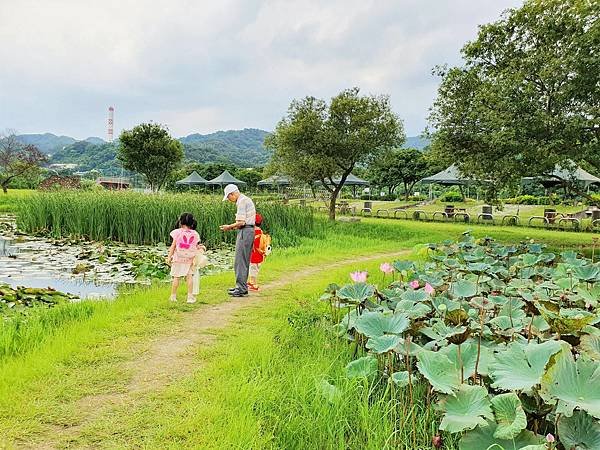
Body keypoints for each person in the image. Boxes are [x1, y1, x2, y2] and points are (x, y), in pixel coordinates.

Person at [219, 183, 255, 297]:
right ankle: (241, 286)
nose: (229, 200)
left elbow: (241, 222)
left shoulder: (241, 201)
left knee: (240, 260)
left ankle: (241, 288)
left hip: (245, 231)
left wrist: (228, 227)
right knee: (242, 260)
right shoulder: (245, 199)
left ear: (232, 194)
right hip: (247, 231)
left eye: (228, 197)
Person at [166, 212, 205, 303]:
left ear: (181, 222)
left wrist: (169, 257)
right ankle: (190, 297)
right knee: (189, 277)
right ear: (192, 222)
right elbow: (196, 246)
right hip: (190, 260)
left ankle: (173, 296)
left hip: (178, 258)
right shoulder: (195, 234)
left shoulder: (177, 232)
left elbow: (173, 246)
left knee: (176, 277)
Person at [248, 213, 264, 291]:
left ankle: (254, 285)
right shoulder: (260, 231)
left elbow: (254, 244)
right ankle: (251, 282)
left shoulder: (254, 231)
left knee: (253, 269)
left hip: (255, 254)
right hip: (260, 254)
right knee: (254, 268)